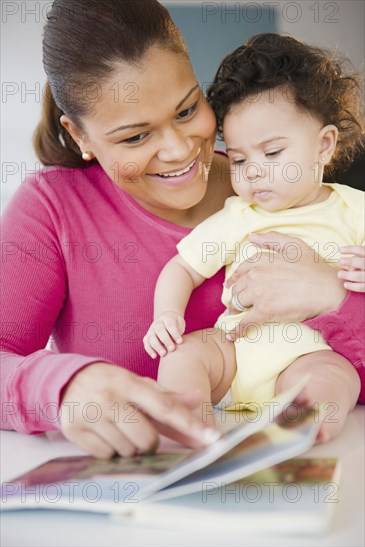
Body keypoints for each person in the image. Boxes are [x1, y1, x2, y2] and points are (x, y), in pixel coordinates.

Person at [0, 2, 363, 459]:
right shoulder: (52, 207)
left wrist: (337, 299)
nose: (177, 150)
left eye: (189, 109)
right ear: (80, 138)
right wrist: (62, 387)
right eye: (135, 137)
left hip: (302, 480)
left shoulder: (288, 187)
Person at [144, 33, 365, 442]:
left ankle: (293, 437)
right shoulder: (239, 215)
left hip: (307, 357)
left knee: (335, 378)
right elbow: (182, 267)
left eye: (273, 153)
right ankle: (189, 429)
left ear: (324, 145)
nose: (253, 171)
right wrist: (167, 316)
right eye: (241, 159)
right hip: (232, 351)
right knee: (186, 353)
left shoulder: (353, 208)